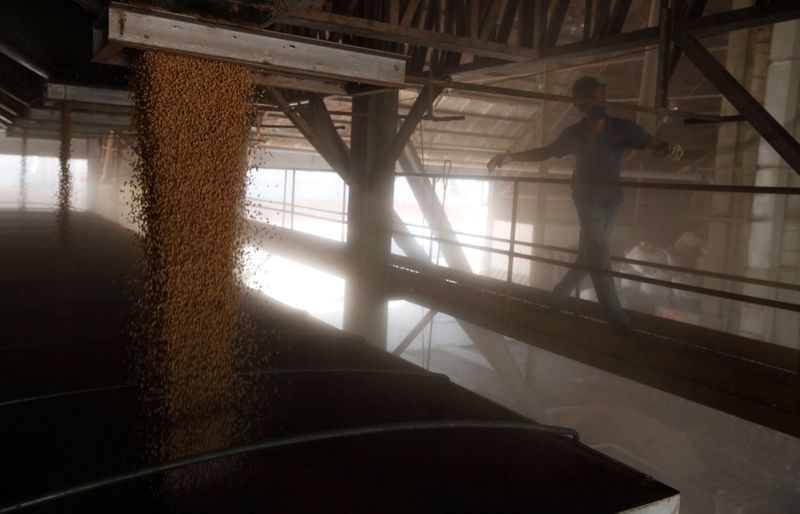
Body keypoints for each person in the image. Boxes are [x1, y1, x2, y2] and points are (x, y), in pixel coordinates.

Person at [486, 76, 683, 336]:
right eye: (592, 96)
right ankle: (617, 321)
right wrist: (510, 157)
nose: (599, 99)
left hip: (612, 202)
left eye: (601, 95)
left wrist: (670, 148)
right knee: (600, 257)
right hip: (587, 201)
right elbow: (546, 151)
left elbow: (655, 144)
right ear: (579, 105)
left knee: (590, 256)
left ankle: (559, 294)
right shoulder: (574, 135)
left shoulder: (623, 129)